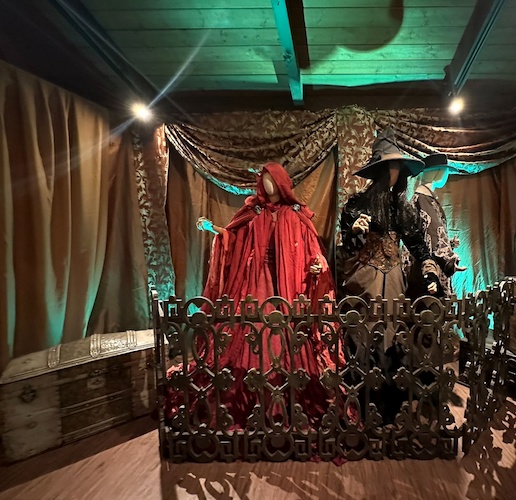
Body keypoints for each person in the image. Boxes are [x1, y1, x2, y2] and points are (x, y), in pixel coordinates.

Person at [166, 162, 343, 430]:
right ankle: (247, 401)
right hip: (255, 283)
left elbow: (311, 249)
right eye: (264, 179)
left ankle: (287, 400)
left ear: (282, 183)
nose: (267, 185)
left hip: (287, 285)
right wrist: (215, 230)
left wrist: (316, 264)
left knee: (287, 336)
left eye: (272, 179)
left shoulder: (296, 215)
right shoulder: (253, 212)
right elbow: (233, 238)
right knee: (251, 331)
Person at [339, 127, 440, 424]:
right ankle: (362, 405)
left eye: (398, 167)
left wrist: (429, 268)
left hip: (394, 278)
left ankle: (389, 408)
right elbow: (348, 247)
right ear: (381, 171)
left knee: (393, 334)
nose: (397, 172)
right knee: (363, 336)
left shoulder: (403, 208)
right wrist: (356, 232)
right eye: (392, 166)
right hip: (365, 279)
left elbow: (418, 244)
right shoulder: (357, 204)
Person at [405, 153, 467, 301]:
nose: (446, 175)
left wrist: (449, 244)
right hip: (429, 271)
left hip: (422, 266)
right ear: (437, 173)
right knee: (430, 309)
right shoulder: (424, 200)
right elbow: (434, 235)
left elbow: (427, 234)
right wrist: (450, 261)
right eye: (445, 171)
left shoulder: (421, 199)